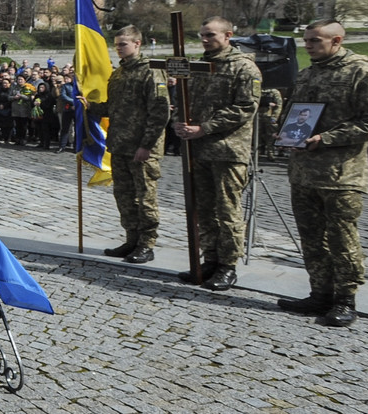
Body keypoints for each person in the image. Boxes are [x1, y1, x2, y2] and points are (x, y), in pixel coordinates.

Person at [276, 20, 368, 327]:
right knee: (312, 238)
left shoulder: (362, 72)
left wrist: (327, 138)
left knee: (342, 239)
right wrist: (286, 132)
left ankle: (345, 299)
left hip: (341, 175)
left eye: (315, 40)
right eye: (306, 40)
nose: (308, 45)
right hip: (303, 172)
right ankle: (319, 293)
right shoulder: (307, 73)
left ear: (337, 40)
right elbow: (295, 114)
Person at [174, 16, 262, 289]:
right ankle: (210, 259)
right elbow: (185, 100)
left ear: (228, 35)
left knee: (227, 211)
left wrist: (205, 128)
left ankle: (228, 264)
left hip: (227, 150)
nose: (204, 39)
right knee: (204, 210)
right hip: (198, 149)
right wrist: (180, 119)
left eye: (210, 35)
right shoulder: (199, 67)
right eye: (201, 34)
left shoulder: (244, 68)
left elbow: (245, 108)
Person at [79, 25, 170, 264]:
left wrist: (146, 145)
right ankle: (131, 240)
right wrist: (90, 106)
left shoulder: (151, 71)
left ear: (137, 44)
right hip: (119, 146)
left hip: (142, 148)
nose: (118, 48)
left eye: (123, 44)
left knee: (145, 198)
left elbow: (159, 112)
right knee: (124, 196)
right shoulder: (118, 74)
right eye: (117, 44)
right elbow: (113, 108)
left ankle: (146, 244)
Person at [258, 88, 282, 160]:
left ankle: (270, 153)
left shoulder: (274, 92)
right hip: (258, 117)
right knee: (258, 135)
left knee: (271, 136)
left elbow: (278, 105)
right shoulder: (258, 89)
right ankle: (257, 152)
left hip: (270, 117)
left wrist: (274, 117)